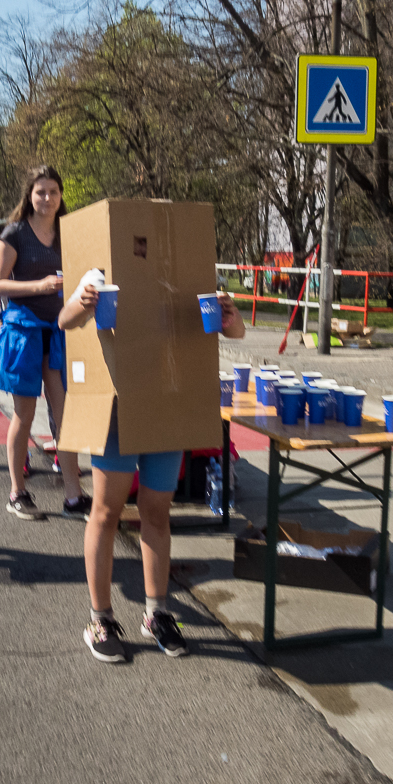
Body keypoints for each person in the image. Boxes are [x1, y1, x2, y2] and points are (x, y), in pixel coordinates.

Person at [58, 280, 246, 662]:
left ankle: (157, 612)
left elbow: (234, 331)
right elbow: (64, 319)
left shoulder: (179, 263)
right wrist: (84, 301)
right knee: (107, 511)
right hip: (117, 405)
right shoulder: (101, 265)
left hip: (167, 404)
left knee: (157, 513)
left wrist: (230, 315)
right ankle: (100, 619)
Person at [0, 165, 90, 522]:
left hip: (59, 331)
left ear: (62, 196)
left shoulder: (69, 233)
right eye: (40, 192)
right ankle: (18, 492)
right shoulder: (14, 233)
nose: (47, 198)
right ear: (29, 196)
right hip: (24, 332)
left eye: (53, 192)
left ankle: (74, 496)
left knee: (66, 416)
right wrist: (39, 286)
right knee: (25, 414)